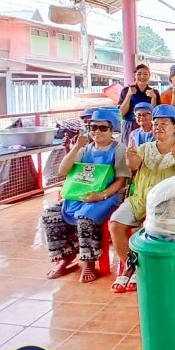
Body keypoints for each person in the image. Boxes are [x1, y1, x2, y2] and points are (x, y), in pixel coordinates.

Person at [109, 105, 175, 293]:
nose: (159, 127)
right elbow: (134, 166)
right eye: (156, 124)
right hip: (140, 199)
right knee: (115, 224)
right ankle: (129, 265)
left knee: (149, 232)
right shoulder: (145, 147)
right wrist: (130, 157)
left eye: (164, 124)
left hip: (168, 206)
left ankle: (146, 271)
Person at [42, 109, 130, 284]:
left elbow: (122, 181)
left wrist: (101, 195)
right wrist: (76, 147)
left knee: (86, 218)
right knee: (50, 214)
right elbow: (63, 171)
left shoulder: (119, 149)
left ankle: (89, 261)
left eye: (102, 128)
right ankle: (65, 258)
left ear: (111, 130)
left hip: (108, 197)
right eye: (93, 127)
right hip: (80, 195)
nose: (97, 131)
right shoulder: (85, 149)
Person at [118, 63, 160, 144]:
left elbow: (155, 114)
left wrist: (153, 98)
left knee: (149, 149)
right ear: (134, 75)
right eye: (139, 74)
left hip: (148, 126)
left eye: (145, 74)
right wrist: (129, 95)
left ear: (149, 76)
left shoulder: (154, 92)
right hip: (130, 125)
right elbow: (121, 113)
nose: (142, 77)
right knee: (131, 149)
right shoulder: (126, 90)